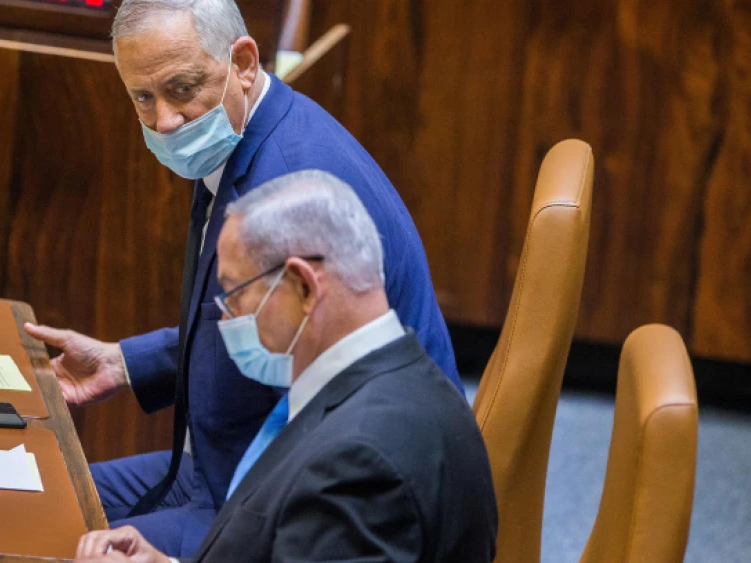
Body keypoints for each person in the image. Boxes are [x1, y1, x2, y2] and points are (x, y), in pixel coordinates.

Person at [23, 0, 463, 555]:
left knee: (51, 540)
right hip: (231, 463)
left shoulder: (287, 183)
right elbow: (260, 329)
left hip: (307, 491)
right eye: (143, 97)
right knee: (35, 499)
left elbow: (333, 449)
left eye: (181, 89)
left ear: (245, 62)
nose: (164, 121)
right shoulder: (248, 131)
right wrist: (124, 363)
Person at [71, 171, 497, 563]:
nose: (228, 319)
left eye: (234, 294)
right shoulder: (400, 380)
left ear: (304, 287)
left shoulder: (359, 462)